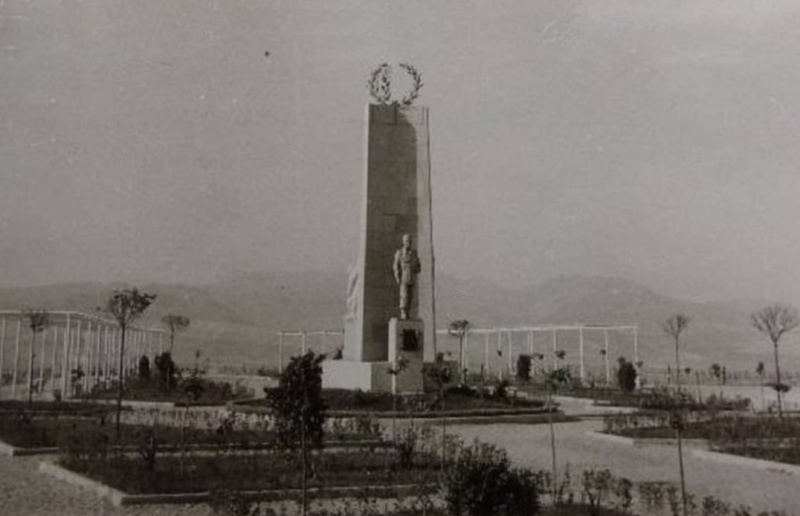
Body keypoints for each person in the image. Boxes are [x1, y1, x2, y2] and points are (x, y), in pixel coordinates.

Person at [393, 233, 421, 320]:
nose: (408, 243)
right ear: (403, 242)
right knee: (404, 296)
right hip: (403, 278)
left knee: (410, 297)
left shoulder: (414, 254)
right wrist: (397, 277)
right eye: (407, 241)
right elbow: (396, 266)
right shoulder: (399, 253)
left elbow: (418, 266)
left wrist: (417, 268)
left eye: (410, 241)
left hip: (411, 277)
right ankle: (403, 312)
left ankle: (408, 313)